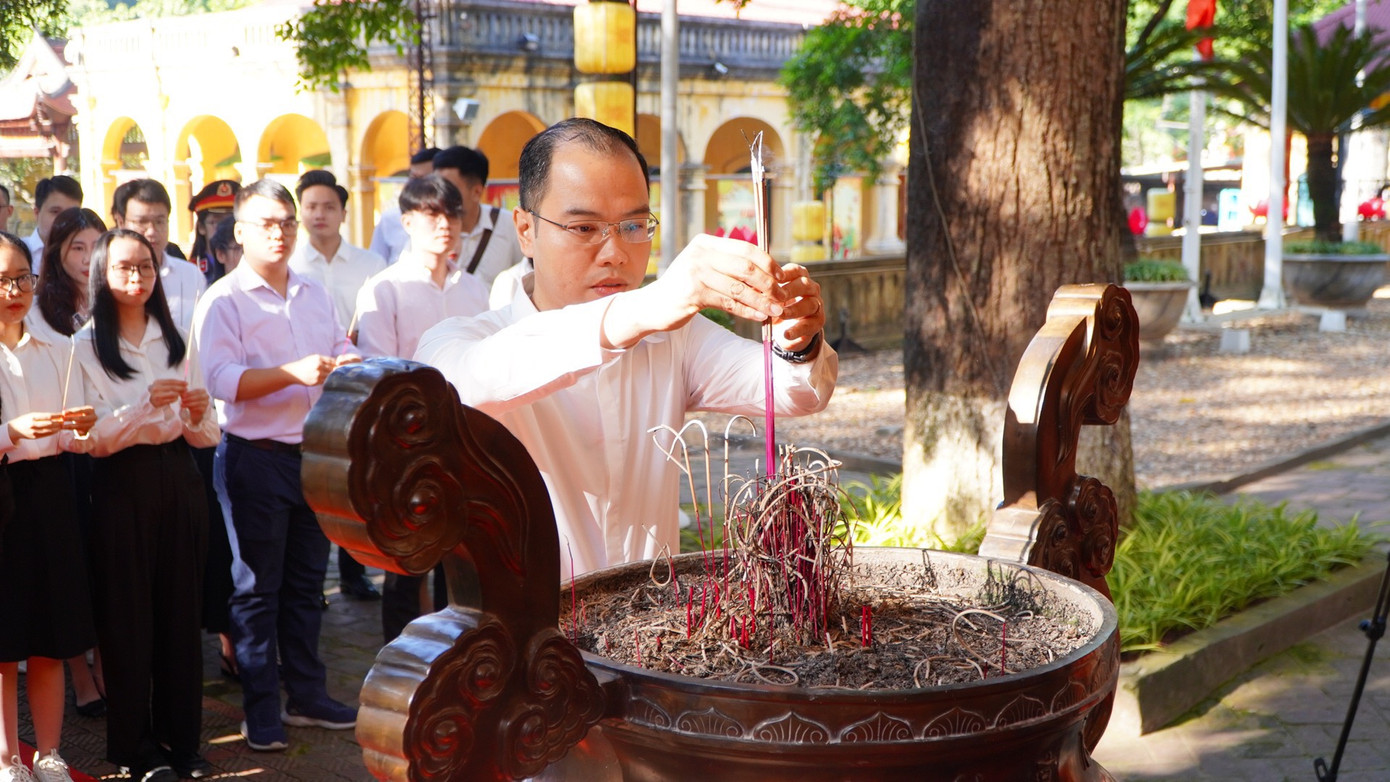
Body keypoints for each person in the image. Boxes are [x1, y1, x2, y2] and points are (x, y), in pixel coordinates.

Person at [414, 118, 837, 580]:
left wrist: (796, 338)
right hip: (532, 623)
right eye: (584, 227)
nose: (615, 252)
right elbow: (459, 384)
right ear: (526, 230)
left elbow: (792, 391)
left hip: (652, 614)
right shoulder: (464, 340)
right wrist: (640, 309)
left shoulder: (674, 337)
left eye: (634, 225)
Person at [192, 179, 361, 752]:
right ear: (239, 232)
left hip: (311, 457)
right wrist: (292, 373)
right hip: (254, 459)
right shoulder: (224, 300)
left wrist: (350, 359)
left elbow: (338, 344)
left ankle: (307, 696)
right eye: (267, 223)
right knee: (257, 590)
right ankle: (261, 710)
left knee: (308, 585)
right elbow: (221, 381)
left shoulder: (312, 291)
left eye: (286, 222)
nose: (280, 232)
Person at [72, 229, 218, 782]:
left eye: (146, 268)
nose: (137, 278)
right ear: (102, 275)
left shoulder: (174, 337)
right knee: (127, 619)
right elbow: (89, 439)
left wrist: (198, 413)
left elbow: (208, 435)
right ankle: (136, 749)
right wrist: (140, 407)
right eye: (124, 268)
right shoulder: (84, 345)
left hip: (179, 477)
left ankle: (183, 742)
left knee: (181, 616)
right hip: (120, 485)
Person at [353, 174, 488, 640]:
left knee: (462, 562)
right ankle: (401, 661)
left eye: (452, 214)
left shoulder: (474, 289)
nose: (444, 224)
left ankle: (459, 656)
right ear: (407, 221)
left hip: (464, 440)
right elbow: (379, 374)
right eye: (432, 214)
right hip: (406, 446)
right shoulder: (384, 289)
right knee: (406, 563)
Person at [0, 231, 97, 782]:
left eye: (22, 278)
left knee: (50, 634)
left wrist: (80, 427)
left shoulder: (58, 347)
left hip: (51, 492)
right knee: (3, 639)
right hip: (2, 495)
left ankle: (51, 752)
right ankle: (7, 758)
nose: (14, 291)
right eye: (1, 280)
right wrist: (10, 431)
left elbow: (76, 435)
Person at [287, 169, 385, 601]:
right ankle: (312, 581)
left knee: (352, 477)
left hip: (354, 383)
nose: (319, 214)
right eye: (311, 206)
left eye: (329, 206)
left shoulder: (370, 265)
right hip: (302, 385)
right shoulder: (290, 266)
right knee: (312, 478)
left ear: (344, 212)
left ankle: (352, 570)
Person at [31, 207, 108, 722]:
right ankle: (80, 675)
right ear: (57, 254)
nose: (86, 258)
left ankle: (108, 665)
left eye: (94, 246)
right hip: (64, 454)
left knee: (106, 564)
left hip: (111, 448)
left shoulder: (118, 299)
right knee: (73, 566)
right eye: (76, 248)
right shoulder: (41, 312)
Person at [111, 180, 206, 333]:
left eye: (159, 222)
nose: (151, 232)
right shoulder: (110, 276)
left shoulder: (191, 275)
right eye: (142, 222)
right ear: (121, 222)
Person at [431, 146, 524, 289]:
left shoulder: (510, 226)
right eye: (436, 188)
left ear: (476, 192)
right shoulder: (428, 229)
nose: (440, 196)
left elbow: (528, 279)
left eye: (448, 188)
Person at [369, 147, 438, 264]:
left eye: (424, 179)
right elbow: (375, 265)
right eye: (413, 178)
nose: (416, 185)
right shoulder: (389, 219)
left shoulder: (450, 222)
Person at [23, 176, 83, 268]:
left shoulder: (88, 254)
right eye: (55, 211)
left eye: (71, 213)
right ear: (37, 213)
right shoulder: (18, 252)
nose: (64, 220)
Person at [187, 180, 240, 285]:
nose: (225, 227)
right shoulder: (190, 272)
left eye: (232, 220)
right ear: (201, 227)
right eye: (217, 221)